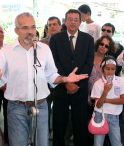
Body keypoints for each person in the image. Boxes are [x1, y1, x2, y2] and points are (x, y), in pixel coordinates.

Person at [0, 12, 88, 146]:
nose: (30, 31)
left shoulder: (44, 49)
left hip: (41, 106)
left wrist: (65, 79)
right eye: (25, 28)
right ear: (16, 30)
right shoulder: (6, 52)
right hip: (16, 108)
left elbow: (51, 75)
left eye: (33, 27)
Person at [49, 9, 94, 146]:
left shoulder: (88, 39)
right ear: (65, 21)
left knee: (80, 123)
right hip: (61, 88)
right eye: (70, 19)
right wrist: (66, 82)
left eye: (76, 19)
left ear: (80, 22)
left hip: (79, 88)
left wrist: (75, 83)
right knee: (59, 123)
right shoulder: (56, 39)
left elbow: (88, 63)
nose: (73, 22)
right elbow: (54, 63)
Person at [90, 55, 124, 146]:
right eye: (107, 68)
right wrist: (105, 91)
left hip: (114, 116)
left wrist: (106, 99)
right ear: (102, 69)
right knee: (98, 143)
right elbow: (98, 105)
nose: (110, 72)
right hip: (100, 116)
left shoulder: (120, 81)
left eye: (113, 69)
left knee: (117, 143)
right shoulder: (98, 83)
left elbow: (123, 100)